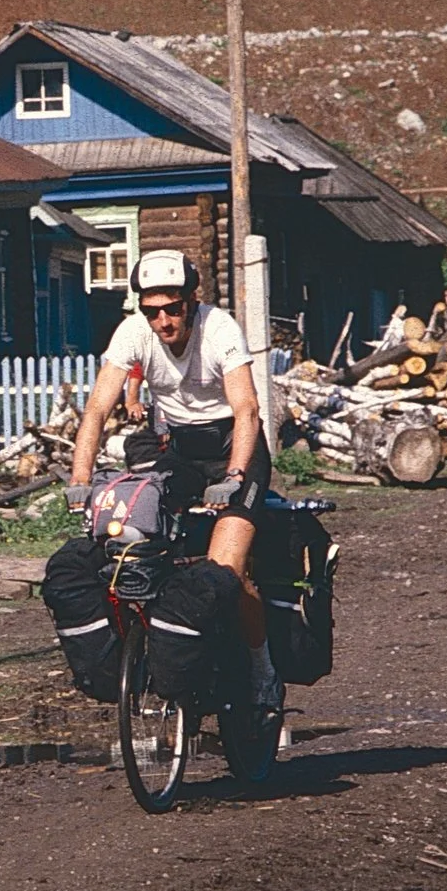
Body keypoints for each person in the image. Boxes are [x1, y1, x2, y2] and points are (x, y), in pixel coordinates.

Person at [65, 249, 280, 707]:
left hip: (233, 448)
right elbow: (98, 408)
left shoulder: (219, 328)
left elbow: (247, 410)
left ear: (191, 300)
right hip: (178, 451)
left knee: (226, 570)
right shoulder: (133, 334)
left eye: (173, 308)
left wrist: (235, 475)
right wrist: (79, 480)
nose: (163, 321)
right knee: (144, 552)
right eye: (152, 311)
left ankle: (263, 674)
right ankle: (166, 668)